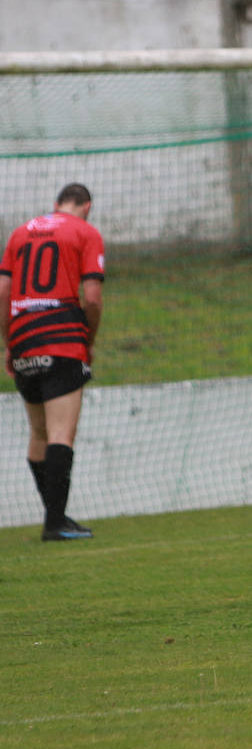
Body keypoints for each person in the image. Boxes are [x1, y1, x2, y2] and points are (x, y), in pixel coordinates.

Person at [1, 183, 104, 541]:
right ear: (87, 206)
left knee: (39, 435)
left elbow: (3, 292)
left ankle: (55, 516)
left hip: (23, 338)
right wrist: (87, 340)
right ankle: (55, 522)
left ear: (56, 204)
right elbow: (91, 298)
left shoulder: (19, 233)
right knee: (61, 434)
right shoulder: (86, 233)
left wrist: (9, 344)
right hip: (62, 337)